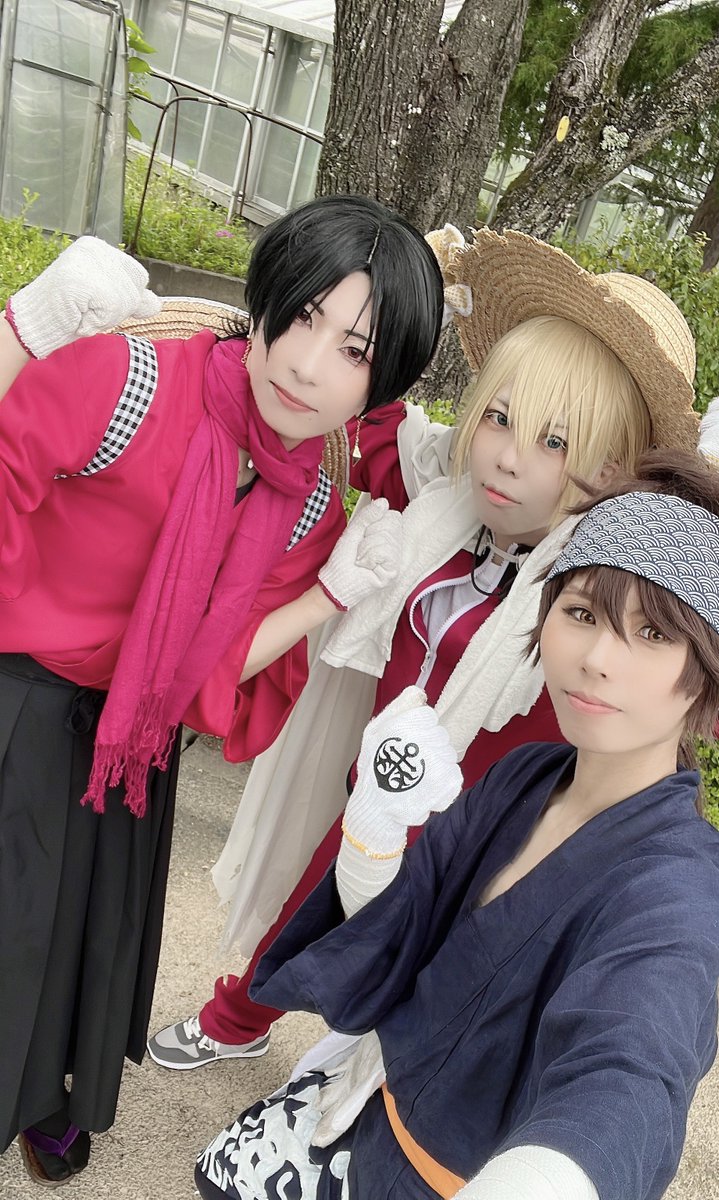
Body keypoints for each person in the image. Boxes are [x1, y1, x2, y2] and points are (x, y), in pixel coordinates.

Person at [148, 228, 719, 1072]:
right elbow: (364, 417)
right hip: (375, 792)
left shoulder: (613, 586)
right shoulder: (440, 495)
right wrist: (404, 295)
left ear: (611, 466)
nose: (503, 458)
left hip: (485, 846)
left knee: (424, 1013)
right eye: (498, 418)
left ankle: (363, 1099)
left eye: (553, 442)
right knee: (310, 904)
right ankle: (239, 1018)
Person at [193, 449, 719, 1200]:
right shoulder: (523, 777)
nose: (596, 658)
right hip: (364, 1121)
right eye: (581, 613)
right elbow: (396, 932)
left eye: (654, 634)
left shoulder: (678, 885)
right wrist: (373, 829)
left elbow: (630, 1071)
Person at [0, 195, 444, 1185]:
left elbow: (212, 664)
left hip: (130, 739)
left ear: (381, 383)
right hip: (17, 703)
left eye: (355, 351)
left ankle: (42, 1089)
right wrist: (20, 335)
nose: (307, 365)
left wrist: (330, 594)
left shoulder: (313, 500)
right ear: (267, 296)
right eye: (304, 316)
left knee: (80, 935)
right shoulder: (127, 382)